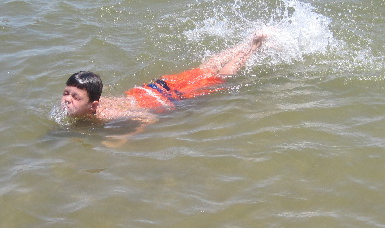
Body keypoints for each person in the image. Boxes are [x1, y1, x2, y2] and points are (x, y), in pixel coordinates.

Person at [59, 33, 267, 145]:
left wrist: (123, 137)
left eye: (76, 97)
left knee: (219, 78)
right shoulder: (95, 101)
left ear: (93, 105)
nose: (68, 99)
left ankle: (253, 46)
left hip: (169, 96)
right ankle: (248, 41)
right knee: (204, 70)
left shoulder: (107, 114)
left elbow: (148, 118)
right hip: (156, 86)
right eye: (66, 93)